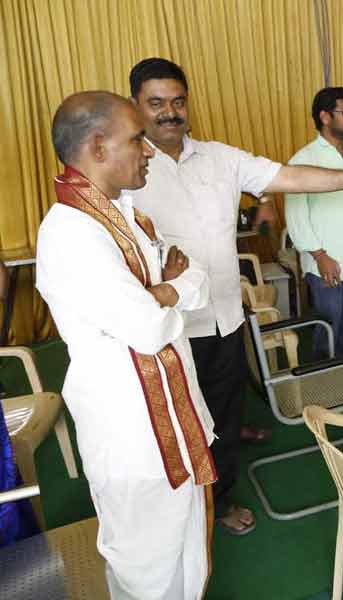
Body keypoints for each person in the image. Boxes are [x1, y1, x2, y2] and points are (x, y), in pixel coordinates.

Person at [126, 58, 343, 536]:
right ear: (137, 105)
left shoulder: (219, 157)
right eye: (156, 103)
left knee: (226, 402)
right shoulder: (130, 169)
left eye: (177, 101)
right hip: (170, 325)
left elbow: (290, 178)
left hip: (224, 314)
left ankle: (220, 499)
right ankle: (184, 509)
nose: (169, 113)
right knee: (177, 422)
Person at [36, 91, 213, 599]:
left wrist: (160, 293)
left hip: (174, 422)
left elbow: (194, 280)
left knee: (186, 556)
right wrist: (163, 294)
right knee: (146, 566)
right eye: (136, 138)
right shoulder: (70, 233)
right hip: (133, 437)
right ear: (97, 146)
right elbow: (147, 328)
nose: (150, 149)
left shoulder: (126, 217)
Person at [284, 87, 343, 359]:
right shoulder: (303, 160)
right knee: (328, 325)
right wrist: (320, 256)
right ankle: (323, 382)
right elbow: (296, 217)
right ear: (324, 116)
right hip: (325, 261)